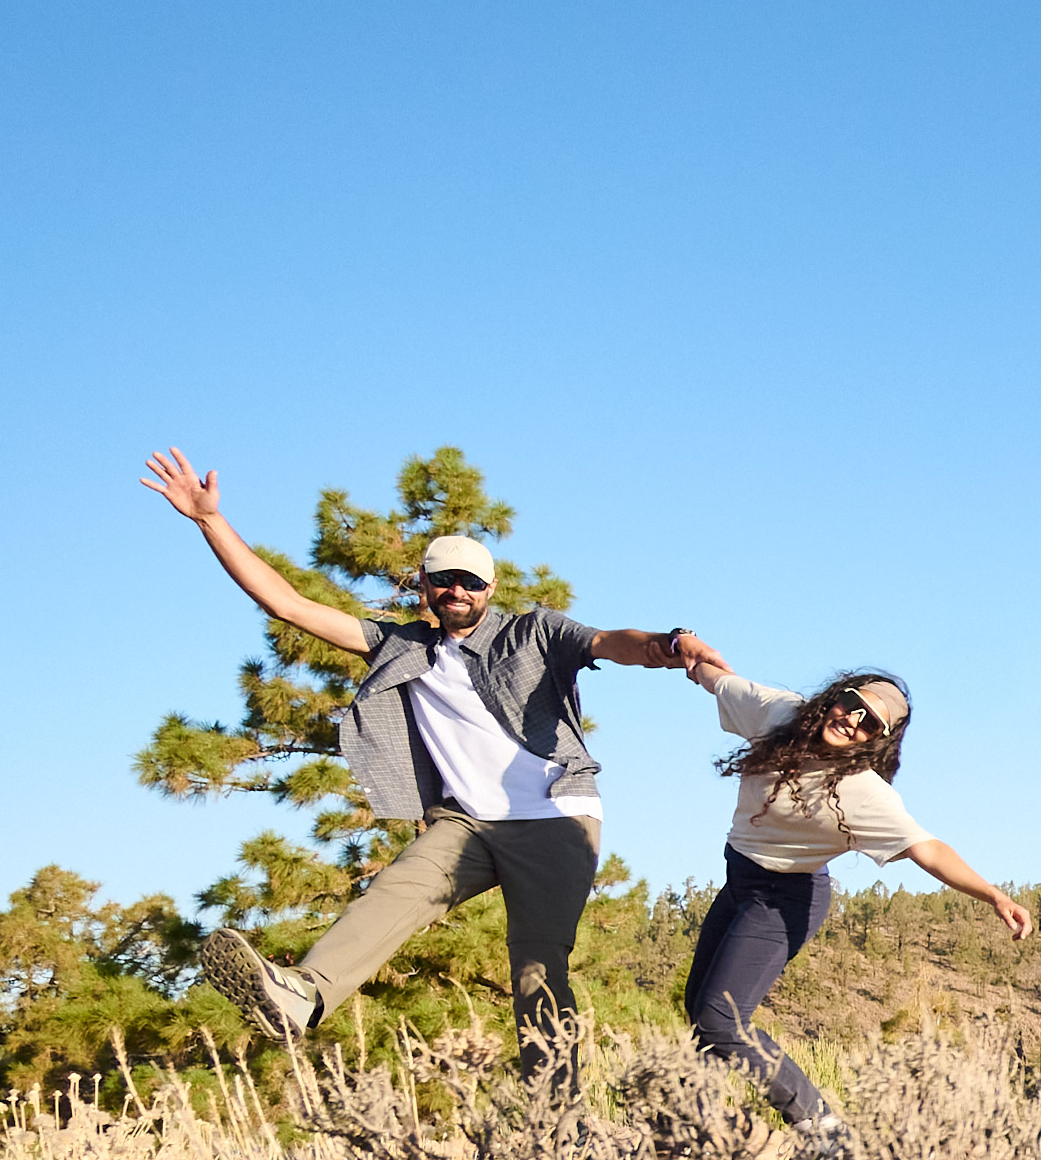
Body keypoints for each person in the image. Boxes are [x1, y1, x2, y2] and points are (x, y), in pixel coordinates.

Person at [139, 451, 696, 1075]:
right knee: (392, 893)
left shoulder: (533, 632)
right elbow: (288, 606)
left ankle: (556, 1112)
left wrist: (668, 644)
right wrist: (209, 521)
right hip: (467, 824)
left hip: (554, 817)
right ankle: (303, 995)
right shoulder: (400, 645)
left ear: (490, 589)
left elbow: (609, 643)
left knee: (537, 966)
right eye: (443, 580)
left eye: (471, 582)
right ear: (424, 585)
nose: (457, 591)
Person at [653, 642, 1039, 1155]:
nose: (852, 721)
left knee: (722, 1018)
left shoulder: (863, 792)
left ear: (877, 740)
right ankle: (689, 1129)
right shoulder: (779, 714)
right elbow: (716, 678)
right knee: (701, 1011)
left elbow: (928, 849)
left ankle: (823, 1128)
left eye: (869, 723)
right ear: (835, 697)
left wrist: (992, 895)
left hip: (786, 898)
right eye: (851, 704)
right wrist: (681, 647)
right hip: (741, 881)